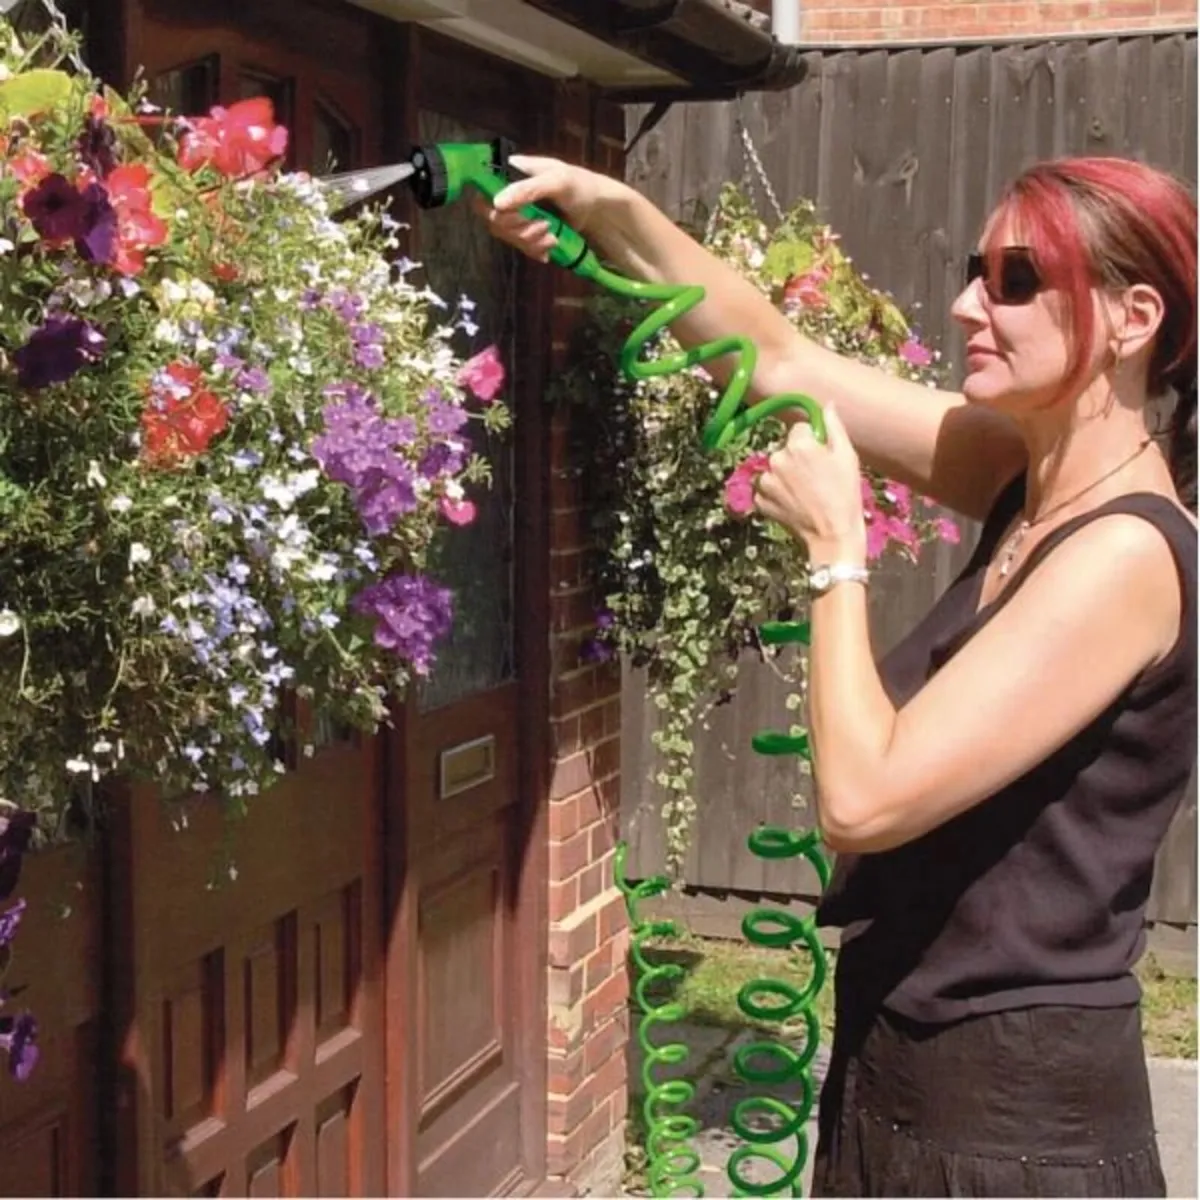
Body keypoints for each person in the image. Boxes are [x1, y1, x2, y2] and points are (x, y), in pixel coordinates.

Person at [479, 151, 1197, 1197]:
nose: (965, 304)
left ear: (1133, 320)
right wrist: (617, 214)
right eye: (972, 270)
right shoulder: (1025, 481)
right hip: (901, 1060)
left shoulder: (1126, 555)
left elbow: (865, 799)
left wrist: (835, 551)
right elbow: (780, 363)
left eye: (1013, 279)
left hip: (1013, 1121)